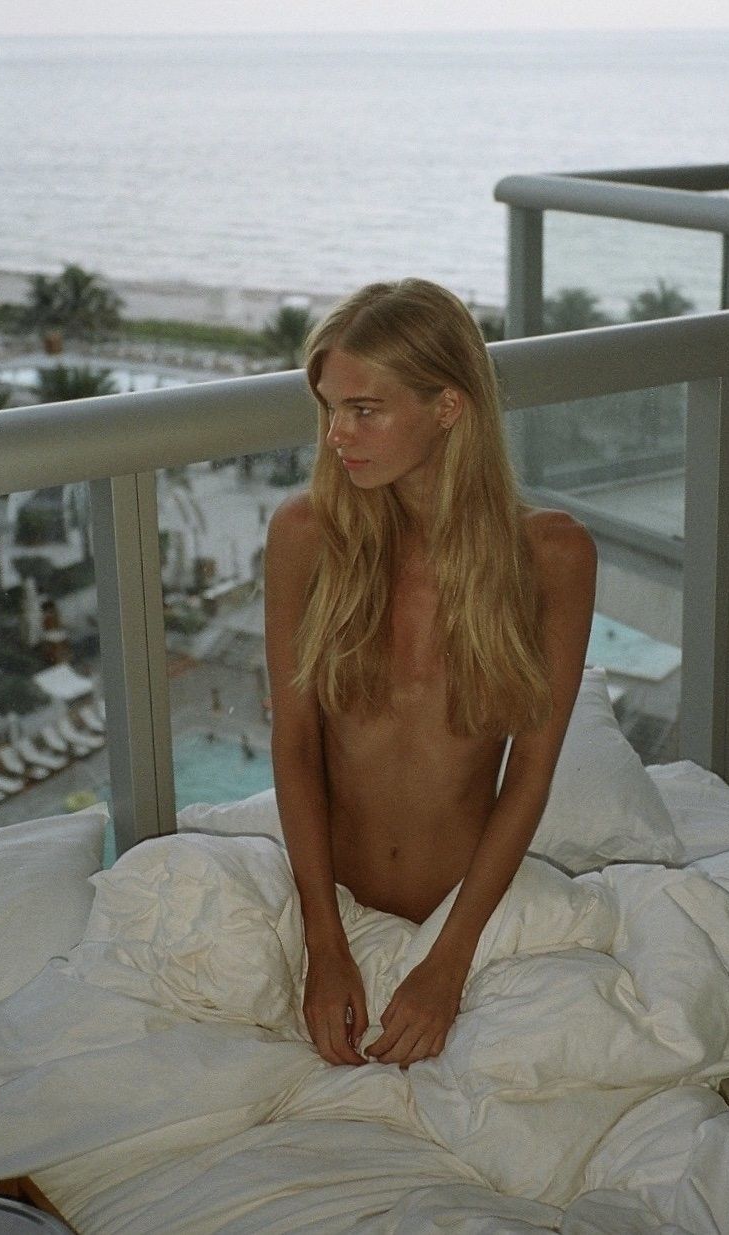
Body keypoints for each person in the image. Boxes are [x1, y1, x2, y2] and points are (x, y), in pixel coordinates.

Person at [263, 278, 597, 1070]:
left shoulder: (552, 556)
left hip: (472, 918)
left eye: (364, 410)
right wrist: (324, 942)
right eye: (330, 409)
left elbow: (530, 775)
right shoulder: (307, 535)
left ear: (447, 406)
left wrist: (449, 963)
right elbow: (294, 742)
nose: (337, 435)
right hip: (334, 907)